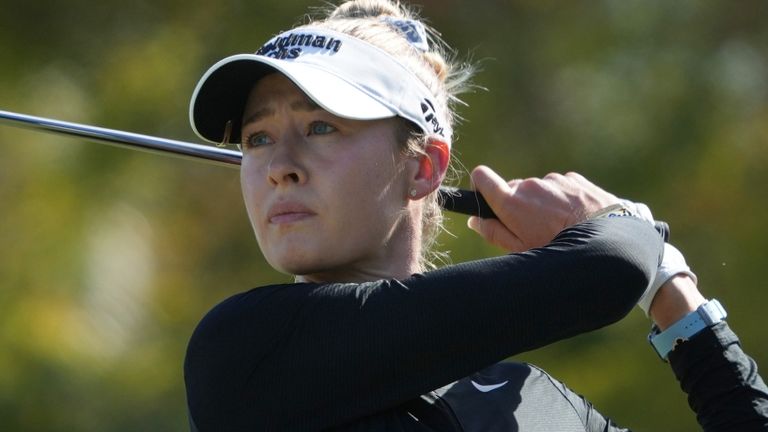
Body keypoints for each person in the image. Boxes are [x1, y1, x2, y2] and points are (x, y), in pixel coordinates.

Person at [183, 0, 768, 430]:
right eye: (258, 139)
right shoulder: (246, 349)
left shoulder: (535, 404)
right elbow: (607, 269)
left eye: (320, 127)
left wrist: (670, 285)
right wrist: (621, 221)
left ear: (424, 168)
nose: (280, 166)